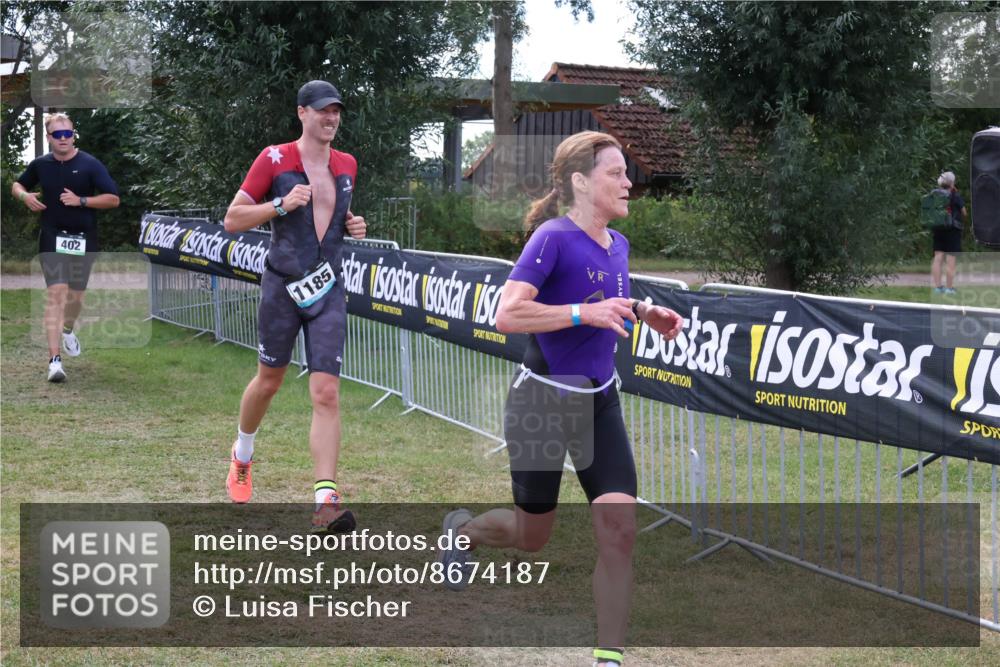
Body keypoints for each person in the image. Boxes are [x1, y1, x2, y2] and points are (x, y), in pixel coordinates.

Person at [437, 131, 683, 667]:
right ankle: (463, 532)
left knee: (619, 531)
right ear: (580, 181)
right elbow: (508, 315)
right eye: (616, 173)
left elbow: (604, 295)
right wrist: (582, 314)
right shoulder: (550, 237)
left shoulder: (617, 244)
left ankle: (607, 659)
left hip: (599, 402)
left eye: (626, 173)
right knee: (532, 536)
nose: (628, 182)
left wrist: (643, 311)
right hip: (542, 403)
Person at [222, 80, 366, 533]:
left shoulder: (347, 164)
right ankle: (242, 455)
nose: (331, 118)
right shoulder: (275, 159)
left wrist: (353, 224)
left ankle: (326, 499)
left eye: (336, 111)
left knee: (326, 393)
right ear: (302, 113)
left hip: (328, 292)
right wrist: (280, 205)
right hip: (282, 288)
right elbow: (232, 220)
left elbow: (333, 219)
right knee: (269, 382)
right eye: (323, 110)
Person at [12, 112, 120, 383]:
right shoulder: (41, 164)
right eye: (57, 134)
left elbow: (113, 199)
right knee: (56, 292)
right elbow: (18, 184)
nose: (63, 138)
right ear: (48, 138)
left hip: (83, 236)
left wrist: (81, 201)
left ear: (73, 135)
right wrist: (25, 196)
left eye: (68, 133)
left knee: (75, 298)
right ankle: (54, 362)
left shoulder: (90, 164)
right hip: (52, 235)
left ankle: (68, 329)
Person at [930, 171, 967, 295]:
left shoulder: (934, 194)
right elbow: (964, 212)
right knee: (951, 259)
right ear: (952, 183)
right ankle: (949, 288)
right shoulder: (955, 195)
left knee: (938, 258)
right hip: (952, 230)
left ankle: (938, 287)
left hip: (938, 229)